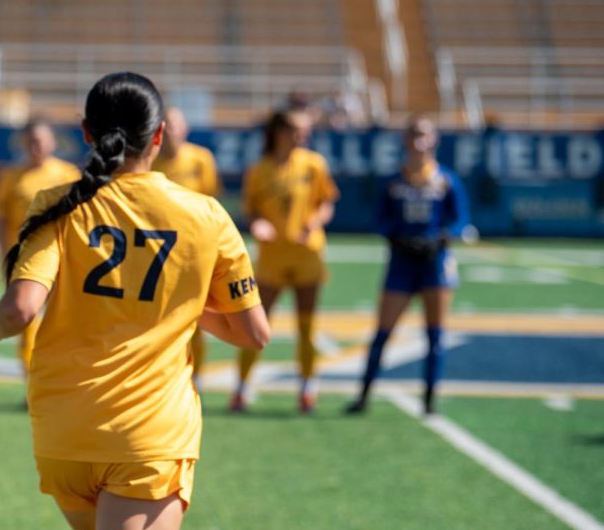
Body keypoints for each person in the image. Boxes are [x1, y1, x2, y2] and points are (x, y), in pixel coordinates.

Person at [0, 73, 269, 530]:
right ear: (158, 138)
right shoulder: (205, 215)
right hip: (145, 438)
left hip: (62, 435)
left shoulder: (58, 204)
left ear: (85, 133)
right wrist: (187, 304)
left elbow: (21, 310)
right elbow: (254, 333)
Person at [347, 117, 470, 415]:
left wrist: (440, 239)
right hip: (401, 264)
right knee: (383, 332)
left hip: (434, 264)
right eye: (414, 134)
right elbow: (380, 219)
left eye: (425, 135)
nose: (419, 141)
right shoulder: (393, 181)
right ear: (405, 140)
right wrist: (396, 238)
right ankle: (364, 394)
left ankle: (429, 400)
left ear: (435, 140)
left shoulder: (446, 179)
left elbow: (460, 221)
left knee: (435, 334)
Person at [230, 108, 339, 414]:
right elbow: (249, 210)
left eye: (305, 131)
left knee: (307, 326)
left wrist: (315, 222)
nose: (303, 137)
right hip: (272, 258)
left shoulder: (314, 164)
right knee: (256, 326)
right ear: (279, 133)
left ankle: (307, 388)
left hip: (307, 255)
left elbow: (327, 201)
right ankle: (241, 387)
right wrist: (256, 225)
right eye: (297, 131)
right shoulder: (260, 170)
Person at [0, 120, 79, 382]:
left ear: (52, 142)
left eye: (40, 140)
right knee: (25, 316)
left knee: (61, 317)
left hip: (59, 254)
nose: (36, 146)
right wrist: (3, 250)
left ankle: (61, 378)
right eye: (31, 141)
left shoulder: (67, 174)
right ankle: (33, 378)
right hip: (25, 257)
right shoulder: (11, 176)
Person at [151, 107, 221, 393]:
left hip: (193, 251)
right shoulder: (149, 161)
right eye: (166, 128)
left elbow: (211, 204)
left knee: (197, 316)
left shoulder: (201, 159)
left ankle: (196, 376)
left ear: (186, 130)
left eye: (177, 127)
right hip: (155, 253)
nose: (172, 134)